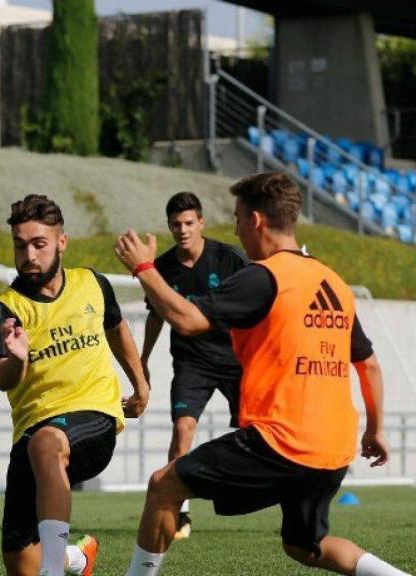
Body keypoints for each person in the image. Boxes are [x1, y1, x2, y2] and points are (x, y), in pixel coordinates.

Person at [114, 173, 409, 576]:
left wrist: (144, 268)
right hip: (335, 448)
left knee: (164, 484)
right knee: (305, 547)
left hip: (283, 442)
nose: (235, 228)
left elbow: (186, 319)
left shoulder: (264, 277)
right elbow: (369, 364)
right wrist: (376, 429)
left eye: (237, 218)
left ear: (255, 221)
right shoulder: (333, 282)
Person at [0, 194, 149, 576]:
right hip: (32, 432)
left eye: (39, 244)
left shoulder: (92, 283)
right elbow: (1, 377)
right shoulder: (4, 308)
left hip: (94, 418)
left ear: (61, 242)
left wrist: (140, 385)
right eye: (20, 245)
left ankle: (54, 570)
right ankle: (76, 558)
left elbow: (116, 327)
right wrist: (19, 359)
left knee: (48, 443)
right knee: (19, 561)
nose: (29, 255)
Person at [139, 191, 247, 539]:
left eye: (188, 223)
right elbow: (156, 314)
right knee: (183, 428)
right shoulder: (164, 268)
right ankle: (180, 511)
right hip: (191, 361)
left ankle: (278, 496)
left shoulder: (230, 259)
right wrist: (142, 359)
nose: (182, 230)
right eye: (175, 224)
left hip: (235, 358)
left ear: (201, 222)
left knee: (256, 429)